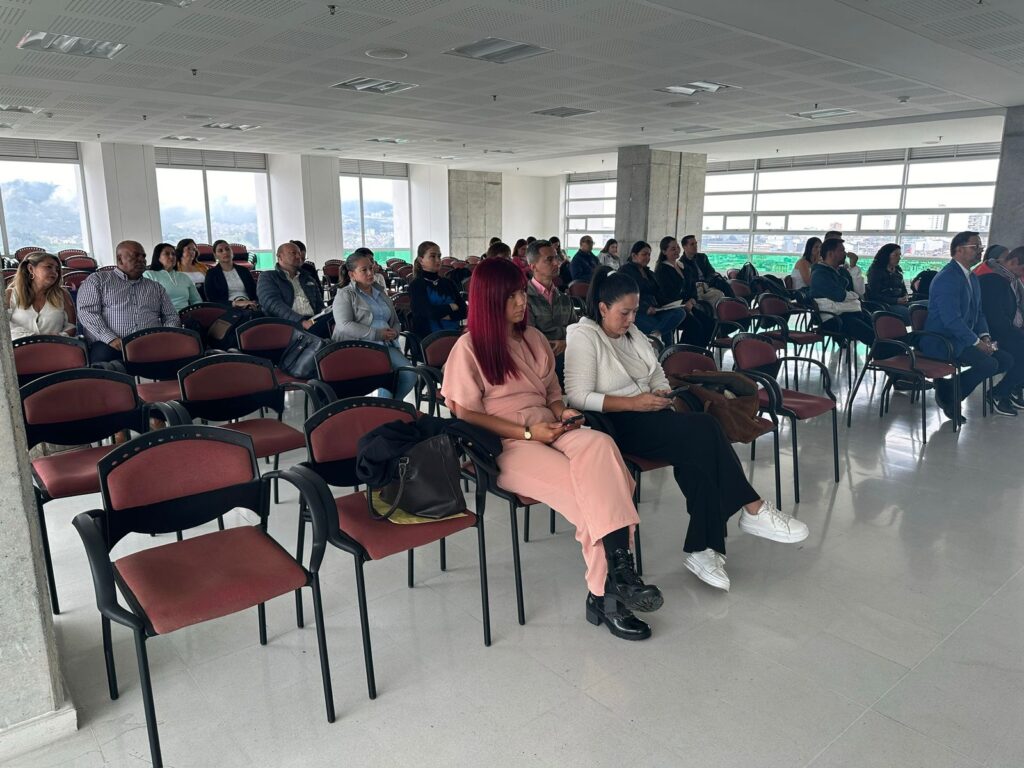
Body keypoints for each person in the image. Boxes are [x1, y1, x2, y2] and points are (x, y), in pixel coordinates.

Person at [440, 257, 663, 641]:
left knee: (602, 449)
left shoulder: (534, 339)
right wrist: (527, 434)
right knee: (592, 492)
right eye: (510, 296)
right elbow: (466, 414)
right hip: (508, 442)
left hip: (550, 425)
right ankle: (607, 594)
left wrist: (565, 413)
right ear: (489, 299)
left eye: (521, 293)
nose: (520, 302)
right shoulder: (469, 348)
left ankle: (620, 575)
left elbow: (554, 396)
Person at [564, 266, 808, 591]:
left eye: (635, 312)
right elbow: (577, 396)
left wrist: (661, 393)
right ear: (603, 308)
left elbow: (656, 375)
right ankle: (749, 509)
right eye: (624, 313)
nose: (630, 320)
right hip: (614, 423)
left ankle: (704, 548)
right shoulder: (583, 335)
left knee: (701, 451)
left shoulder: (634, 335)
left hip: (650, 414)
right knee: (704, 429)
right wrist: (634, 403)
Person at [922, 231, 1015, 420]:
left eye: (980, 247)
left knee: (1005, 359)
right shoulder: (947, 278)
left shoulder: (972, 277)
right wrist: (975, 342)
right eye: (975, 247)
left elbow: (979, 312)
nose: (980, 251)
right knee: (989, 363)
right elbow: (951, 320)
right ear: (958, 250)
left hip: (962, 337)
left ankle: (950, 389)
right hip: (943, 339)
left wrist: (985, 336)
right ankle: (950, 394)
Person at [77, 240, 180, 362]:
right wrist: (110, 339)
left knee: (180, 356)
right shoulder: (98, 280)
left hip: (150, 343)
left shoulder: (155, 287)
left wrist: (165, 336)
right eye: (136, 255)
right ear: (120, 259)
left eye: (143, 256)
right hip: (110, 344)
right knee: (104, 360)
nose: (142, 259)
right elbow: (87, 313)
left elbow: (171, 315)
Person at [332, 251, 416, 401]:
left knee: (410, 374)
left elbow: (396, 321)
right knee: (383, 376)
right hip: (359, 346)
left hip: (385, 344)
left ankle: (392, 406)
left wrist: (395, 332)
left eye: (371, 267)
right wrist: (377, 334)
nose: (370, 272)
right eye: (364, 270)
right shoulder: (345, 294)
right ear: (352, 274)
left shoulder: (380, 292)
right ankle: (388, 407)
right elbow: (344, 325)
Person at [977, 246, 1024, 411]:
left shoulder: (1009, 280)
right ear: (1015, 262)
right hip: (992, 336)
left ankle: (1010, 390)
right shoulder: (993, 280)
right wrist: (1017, 333)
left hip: (1005, 332)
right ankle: (999, 393)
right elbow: (994, 318)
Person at [525, 239, 576, 381]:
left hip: (566, 353)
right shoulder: (524, 298)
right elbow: (529, 337)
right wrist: (558, 343)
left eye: (556, 257)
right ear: (533, 266)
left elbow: (576, 329)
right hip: (539, 359)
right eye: (549, 259)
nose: (556, 263)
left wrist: (566, 343)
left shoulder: (564, 298)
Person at [809, 237, 874, 346]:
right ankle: (888, 352)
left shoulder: (842, 271)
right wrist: (851, 296)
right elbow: (840, 296)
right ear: (830, 254)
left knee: (875, 323)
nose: (845, 254)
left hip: (848, 313)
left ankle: (893, 349)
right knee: (862, 329)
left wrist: (853, 268)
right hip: (831, 318)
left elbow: (858, 292)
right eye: (841, 250)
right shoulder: (819, 274)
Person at [620, 240, 686, 347]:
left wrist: (672, 304)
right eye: (644, 254)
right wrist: (645, 308)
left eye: (649, 254)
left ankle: (656, 335)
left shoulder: (649, 273)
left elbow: (658, 294)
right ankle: (664, 353)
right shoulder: (625, 271)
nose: (647, 257)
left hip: (655, 309)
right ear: (634, 255)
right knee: (666, 329)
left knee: (679, 312)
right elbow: (625, 296)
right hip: (637, 311)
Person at [257, 241, 330, 337]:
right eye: (293, 253)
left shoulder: (308, 278)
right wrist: (301, 321)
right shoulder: (268, 277)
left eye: (299, 254)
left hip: (312, 321)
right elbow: (272, 304)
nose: (298, 257)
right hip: (286, 323)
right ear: (280, 256)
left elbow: (320, 305)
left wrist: (326, 313)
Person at [653, 236, 714, 347]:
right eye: (673, 249)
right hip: (673, 307)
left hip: (688, 305)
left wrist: (692, 300)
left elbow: (692, 288)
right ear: (664, 251)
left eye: (677, 247)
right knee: (695, 326)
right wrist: (683, 304)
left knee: (710, 323)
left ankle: (699, 351)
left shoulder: (683, 267)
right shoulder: (662, 270)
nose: (677, 251)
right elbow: (666, 294)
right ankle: (682, 351)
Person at [6, 251, 76, 339]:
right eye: (49, 267)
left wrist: (58, 337)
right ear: (31, 269)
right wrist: (33, 338)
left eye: (57, 269)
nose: (54, 272)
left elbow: (72, 327)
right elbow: (4, 325)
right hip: (19, 350)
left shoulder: (63, 294)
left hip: (55, 348)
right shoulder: (10, 294)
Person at [408, 240, 466, 339]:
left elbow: (464, 310)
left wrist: (447, 315)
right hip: (429, 339)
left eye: (439, 256)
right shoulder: (416, 285)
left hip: (454, 335)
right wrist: (451, 306)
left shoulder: (449, 283)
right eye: (433, 256)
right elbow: (429, 313)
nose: (438, 260)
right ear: (421, 260)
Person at [143, 242, 202, 311]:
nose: (171, 257)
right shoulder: (149, 275)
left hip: (186, 316)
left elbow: (196, 300)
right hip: (162, 318)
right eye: (167, 254)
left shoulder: (184, 276)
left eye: (173, 254)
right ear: (158, 257)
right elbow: (146, 302)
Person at [204, 239, 260, 310]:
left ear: (232, 252)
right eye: (220, 251)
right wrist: (234, 303)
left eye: (227, 249)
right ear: (215, 256)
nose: (225, 252)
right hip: (227, 308)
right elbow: (212, 300)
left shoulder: (243, 270)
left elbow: (255, 292)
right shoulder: (212, 274)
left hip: (250, 306)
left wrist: (253, 303)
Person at [866, 244, 911, 323]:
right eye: (896, 255)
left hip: (900, 302)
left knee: (924, 306)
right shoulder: (876, 271)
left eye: (900, 255)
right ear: (886, 255)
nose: (899, 258)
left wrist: (905, 296)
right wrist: (896, 300)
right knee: (912, 314)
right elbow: (874, 295)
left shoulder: (897, 270)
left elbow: (903, 289)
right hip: (885, 305)